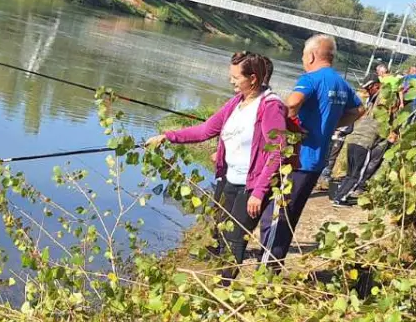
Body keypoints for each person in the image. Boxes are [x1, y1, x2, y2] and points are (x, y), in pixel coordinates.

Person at [146, 52, 287, 282]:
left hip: (251, 186)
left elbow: (277, 151)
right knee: (221, 232)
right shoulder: (237, 102)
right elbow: (204, 130)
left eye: (235, 76)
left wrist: (260, 192)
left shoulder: (271, 106)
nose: (230, 80)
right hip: (229, 178)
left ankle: (223, 291)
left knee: (234, 238)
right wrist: (167, 136)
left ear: (252, 78)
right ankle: (220, 282)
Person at [278, 35, 363, 263]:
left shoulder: (311, 79)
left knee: (281, 212)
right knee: (293, 212)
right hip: (317, 160)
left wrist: (289, 124)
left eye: (304, 55)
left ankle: (270, 260)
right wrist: (332, 124)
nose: (303, 59)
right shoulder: (342, 84)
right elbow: (359, 110)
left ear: (312, 55)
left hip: (298, 157)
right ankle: (276, 258)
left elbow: (292, 103)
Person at [330, 81, 382, 207]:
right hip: (363, 144)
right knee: (357, 175)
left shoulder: (367, 115)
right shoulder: (379, 119)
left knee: (350, 173)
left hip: (352, 141)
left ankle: (338, 195)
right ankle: (340, 199)